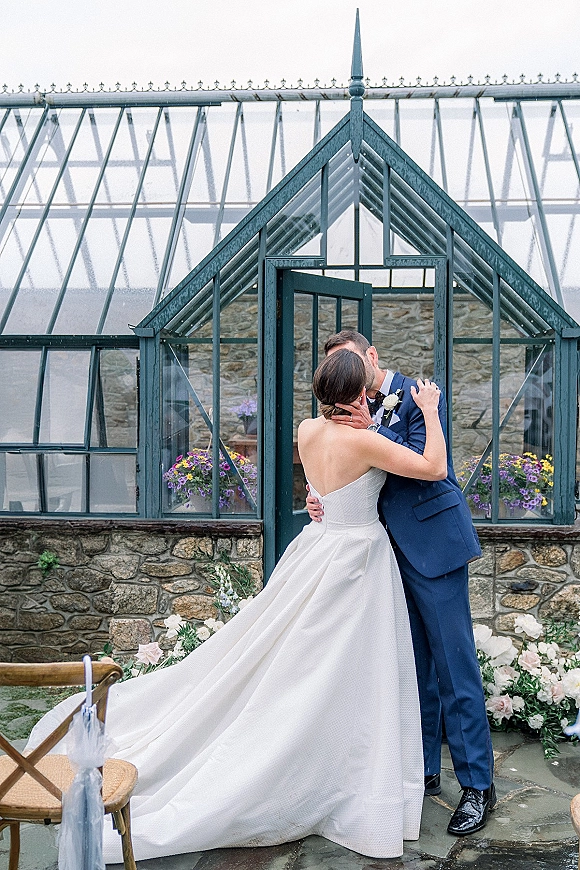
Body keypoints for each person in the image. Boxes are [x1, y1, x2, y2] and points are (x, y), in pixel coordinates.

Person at [28, 350, 447, 864]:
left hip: (318, 548)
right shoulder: (365, 440)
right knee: (352, 670)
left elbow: (328, 485)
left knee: (304, 664)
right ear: (359, 396)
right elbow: (433, 467)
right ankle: (341, 772)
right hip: (358, 560)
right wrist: (427, 407)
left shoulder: (308, 431)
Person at [306, 330, 495, 837]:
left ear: (371, 356)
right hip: (381, 555)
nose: (348, 380)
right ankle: (424, 768)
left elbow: (429, 467)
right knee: (411, 669)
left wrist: (371, 430)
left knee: (455, 669)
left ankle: (478, 785)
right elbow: (343, 464)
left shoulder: (419, 394)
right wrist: (321, 497)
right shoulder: (347, 411)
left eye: (350, 362)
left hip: (433, 547)